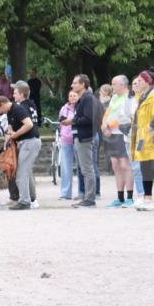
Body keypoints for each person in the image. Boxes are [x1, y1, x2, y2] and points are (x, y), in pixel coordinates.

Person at [0, 88, 39, 210]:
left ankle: (24, 201)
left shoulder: (18, 109)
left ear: (2, 104)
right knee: (25, 172)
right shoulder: (9, 111)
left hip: (30, 141)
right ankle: (30, 199)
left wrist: (15, 134)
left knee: (21, 173)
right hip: (23, 142)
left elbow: (29, 124)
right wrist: (7, 140)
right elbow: (10, 128)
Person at [66, 74, 102, 208]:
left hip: (85, 137)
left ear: (82, 84)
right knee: (85, 169)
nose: (72, 85)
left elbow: (88, 119)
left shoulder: (87, 99)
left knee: (87, 169)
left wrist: (72, 120)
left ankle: (90, 199)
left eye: (75, 83)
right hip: (82, 137)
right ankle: (87, 197)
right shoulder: (84, 99)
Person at [102, 76, 137, 208]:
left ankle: (129, 197)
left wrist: (109, 126)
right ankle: (120, 197)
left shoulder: (129, 98)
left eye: (114, 84)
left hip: (122, 135)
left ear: (122, 85)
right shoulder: (115, 98)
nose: (112, 87)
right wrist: (103, 125)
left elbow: (125, 117)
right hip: (111, 135)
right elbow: (108, 113)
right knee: (116, 165)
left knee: (125, 165)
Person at [131, 70, 154, 210]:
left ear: (148, 81)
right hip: (142, 135)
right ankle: (147, 197)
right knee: (144, 168)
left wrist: (153, 125)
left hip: (153, 136)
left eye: (140, 80)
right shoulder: (141, 96)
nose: (138, 83)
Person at [57, 90, 79, 200]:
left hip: (78, 139)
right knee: (66, 168)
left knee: (81, 166)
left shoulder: (80, 108)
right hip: (66, 139)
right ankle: (66, 193)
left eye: (74, 95)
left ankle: (82, 192)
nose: (72, 97)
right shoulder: (64, 109)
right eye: (70, 95)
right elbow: (61, 122)